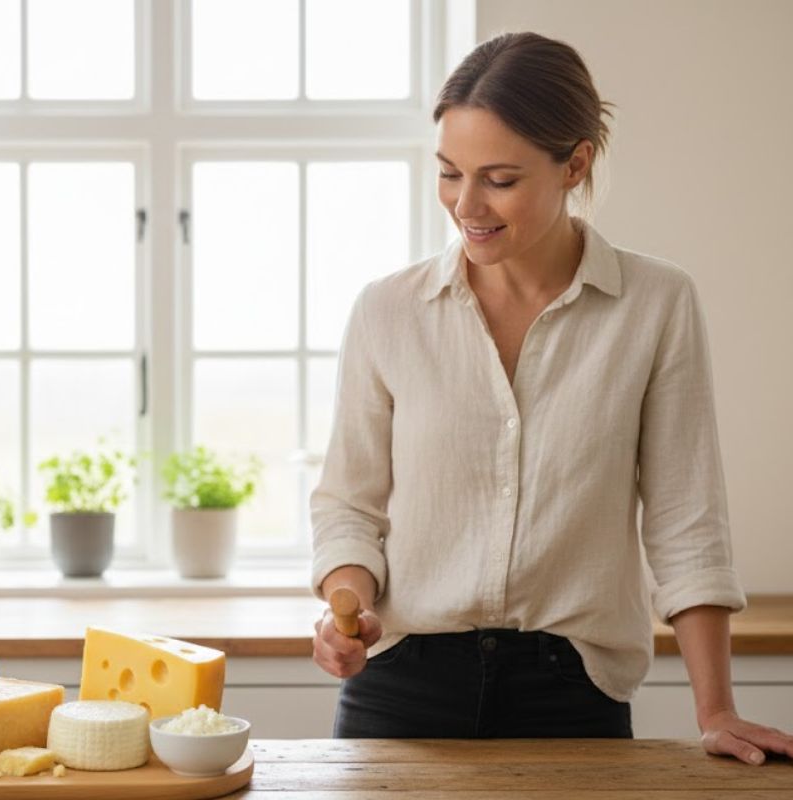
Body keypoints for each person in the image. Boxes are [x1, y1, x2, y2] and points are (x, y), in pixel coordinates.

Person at [309, 31, 793, 765]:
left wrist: (716, 709)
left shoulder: (655, 305)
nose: (465, 204)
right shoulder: (388, 311)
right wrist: (349, 606)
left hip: (572, 692)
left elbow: (687, 518)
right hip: (400, 688)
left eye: (499, 179)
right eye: (448, 173)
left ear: (575, 164)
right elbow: (350, 503)